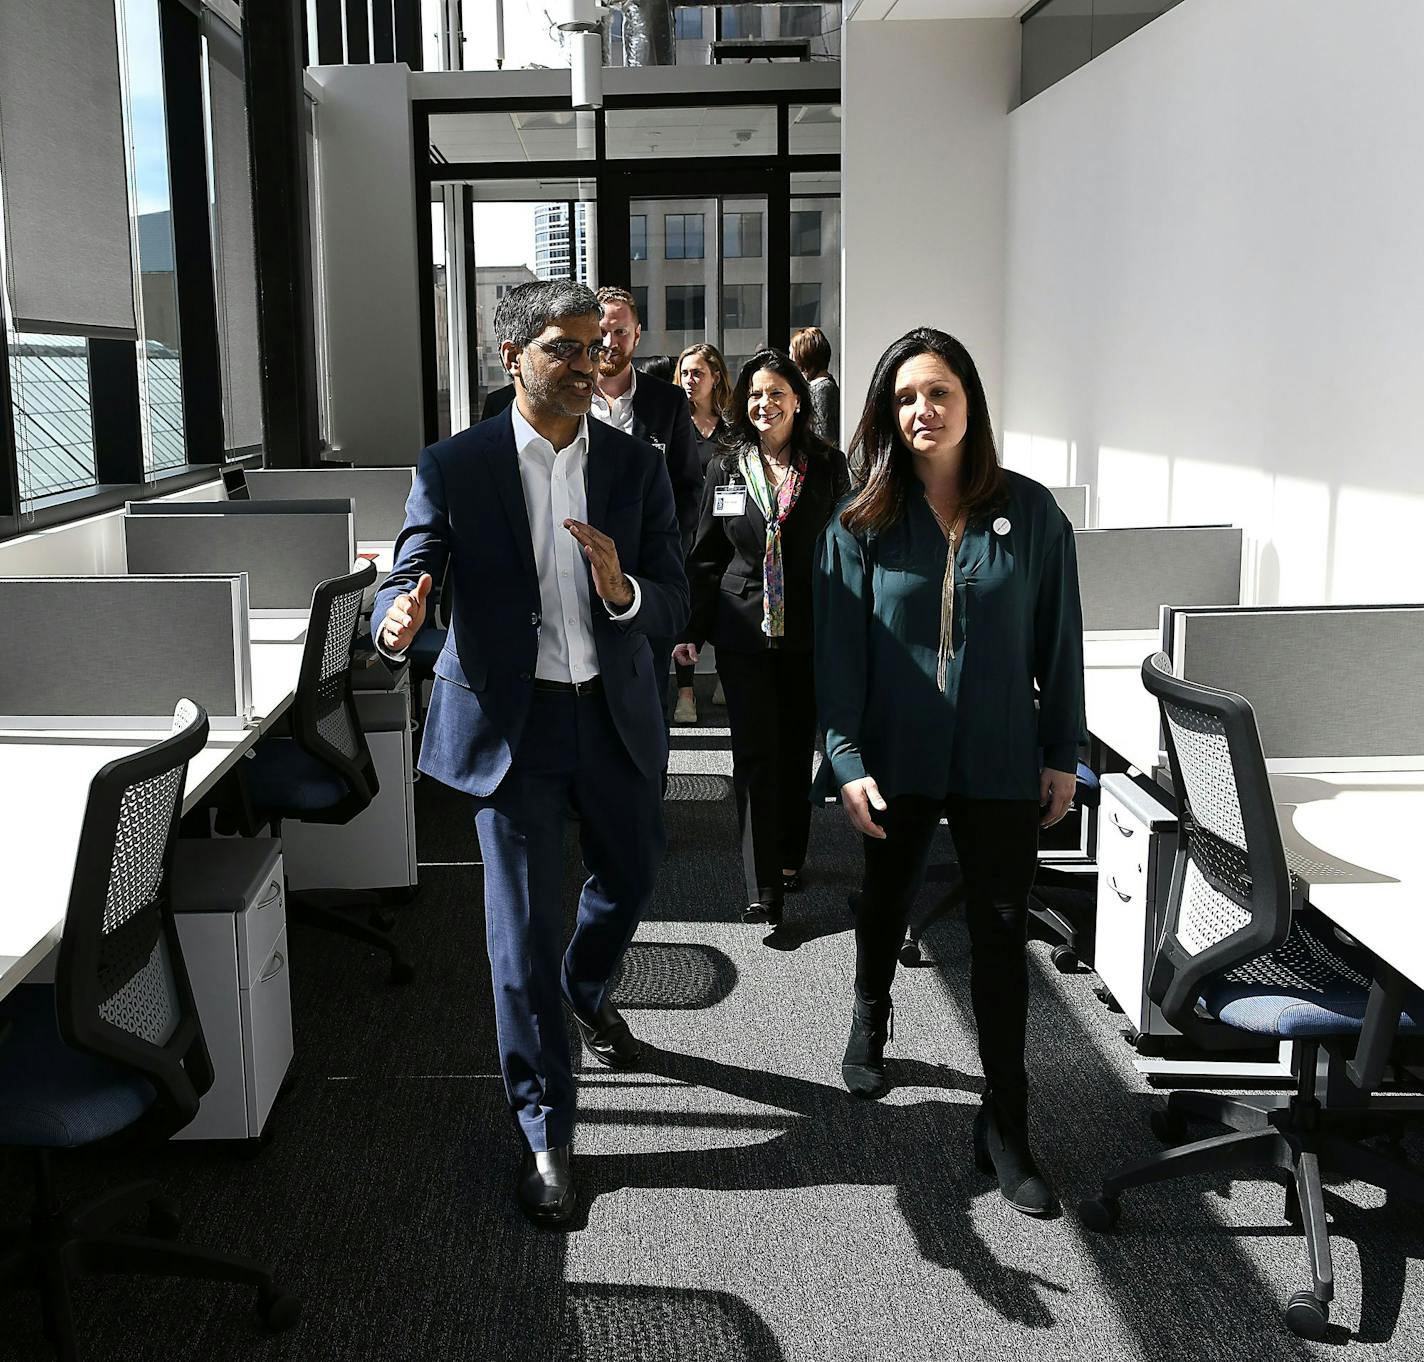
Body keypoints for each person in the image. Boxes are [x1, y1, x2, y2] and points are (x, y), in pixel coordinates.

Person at [373, 281, 688, 1227]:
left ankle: (587, 990)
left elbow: (675, 596)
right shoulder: (456, 463)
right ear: (513, 358)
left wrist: (622, 586)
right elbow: (413, 557)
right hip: (513, 729)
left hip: (613, 714)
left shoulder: (637, 467)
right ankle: (547, 1133)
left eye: (599, 348)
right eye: (567, 347)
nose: (592, 364)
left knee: (632, 879)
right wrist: (402, 613)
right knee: (520, 939)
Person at [813, 326, 1084, 1218]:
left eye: (939, 393)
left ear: (971, 403)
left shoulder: (1034, 514)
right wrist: (844, 758)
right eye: (904, 398)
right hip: (898, 755)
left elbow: (1060, 647)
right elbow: (839, 655)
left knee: (1003, 943)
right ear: (887, 413)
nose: (922, 411)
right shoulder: (861, 520)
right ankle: (869, 1005)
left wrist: (1062, 753)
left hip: (1001, 758)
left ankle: (1006, 1123)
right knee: (886, 897)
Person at [674, 349, 849, 931]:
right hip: (742, 623)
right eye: (753, 396)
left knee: (797, 751)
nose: (763, 404)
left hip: (810, 627)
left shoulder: (828, 466)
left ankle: (791, 854)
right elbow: (706, 554)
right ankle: (762, 886)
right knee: (753, 755)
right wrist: (693, 631)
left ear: (798, 399)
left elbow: (847, 551)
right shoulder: (726, 465)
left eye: (775, 393)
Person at [592, 286, 704, 737]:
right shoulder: (570, 401)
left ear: (637, 335)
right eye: (601, 331)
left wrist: (669, 557)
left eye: (620, 331)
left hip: (647, 581)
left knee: (648, 707)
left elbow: (687, 488)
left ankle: (647, 802)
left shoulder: (667, 401)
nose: (610, 341)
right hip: (579, 574)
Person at [671, 342, 734, 725]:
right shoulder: (677, 425)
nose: (689, 380)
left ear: (715, 378)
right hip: (683, 533)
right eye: (685, 373)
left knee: (726, 606)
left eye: (697, 373)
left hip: (724, 534)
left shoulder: (731, 430)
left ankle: (726, 675)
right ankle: (685, 692)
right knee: (686, 611)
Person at [791, 326, 840, 448]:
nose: (791, 360)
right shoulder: (823, 386)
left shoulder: (822, 390)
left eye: (792, 354)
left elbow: (823, 436)